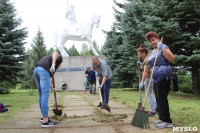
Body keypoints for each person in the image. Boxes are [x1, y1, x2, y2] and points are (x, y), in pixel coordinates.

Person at [145, 31, 175, 128]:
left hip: (164, 75)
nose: (152, 42)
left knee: (162, 99)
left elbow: (172, 58)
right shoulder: (154, 51)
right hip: (155, 78)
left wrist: (163, 48)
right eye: (150, 41)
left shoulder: (163, 47)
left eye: (153, 40)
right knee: (158, 99)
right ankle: (162, 119)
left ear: (157, 39)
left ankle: (168, 121)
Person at [33, 51, 62, 127]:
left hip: (36, 70)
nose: (59, 67)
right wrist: (53, 65)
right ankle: (46, 121)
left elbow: (46, 79)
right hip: (43, 70)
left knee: (41, 94)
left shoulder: (48, 63)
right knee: (45, 94)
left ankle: (43, 117)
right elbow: (55, 52)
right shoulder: (59, 60)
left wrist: (51, 87)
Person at [137, 44, 157, 117]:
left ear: (144, 53)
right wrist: (141, 64)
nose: (139, 56)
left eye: (140, 54)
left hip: (148, 78)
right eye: (138, 54)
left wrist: (142, 81)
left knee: (149, 95)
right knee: (151, 94)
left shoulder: (147, 59)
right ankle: (156, 107)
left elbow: (146, 72)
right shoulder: (148, 57)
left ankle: (152, 111)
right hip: (151, 78)